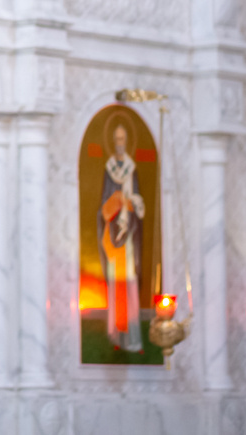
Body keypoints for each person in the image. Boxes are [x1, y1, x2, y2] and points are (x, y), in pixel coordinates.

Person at [97, 123, 145, 352]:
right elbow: (103, 206)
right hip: (113, 236)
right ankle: (116, 334)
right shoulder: (108, 170)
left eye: (122, 139)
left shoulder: (131, 169)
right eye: (116, 139)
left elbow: (137, 203)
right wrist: (115, 204)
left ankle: (132, 336)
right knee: (116, 286)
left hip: (128, 237)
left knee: (129, 284)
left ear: (127, 141)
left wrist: (130, 206)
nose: (119, 144)